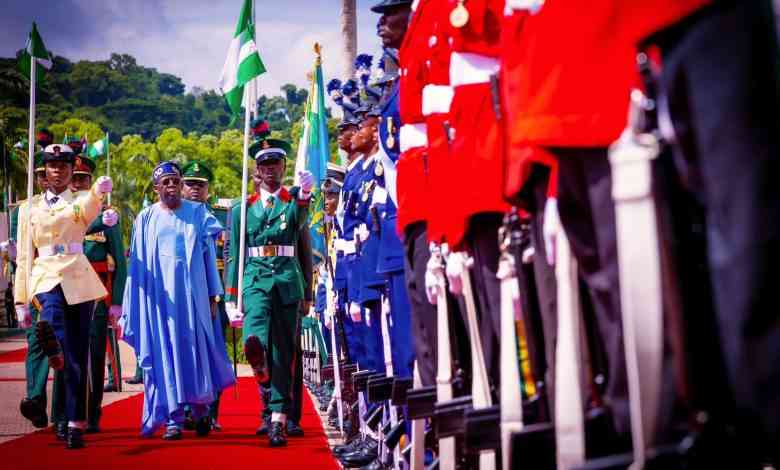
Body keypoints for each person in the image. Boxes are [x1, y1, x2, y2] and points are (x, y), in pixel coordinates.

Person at [120, 161, 235, 440]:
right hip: (161, 303)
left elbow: (209, 256)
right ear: (157, 187)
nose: (171, 186)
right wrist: (133, 302)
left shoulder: (198, 213)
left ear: (181, 184)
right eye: (165, 182)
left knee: (194, 352)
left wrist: (213, 293)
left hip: (192, 298)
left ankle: (200, 410)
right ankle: (172, 418)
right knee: (165, 354)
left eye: (175, 181)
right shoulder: (145, 218)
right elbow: (136, 266)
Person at [14, 143, 115, 449]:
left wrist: (99, 190)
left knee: (76, 356)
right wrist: (20, 300)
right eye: (52, 167)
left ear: (72, 171)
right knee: (51, 317)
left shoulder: (80, 201)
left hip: (77, 277)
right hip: (45, 276)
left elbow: (91, 208)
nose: (58, 171)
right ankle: (53, 347)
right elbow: (22, 257)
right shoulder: (28, 208)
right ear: (45, 173)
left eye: (64, 167)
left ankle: (74, 423)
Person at [224, 134, 314, 448]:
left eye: (275, 163)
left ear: (283, 166)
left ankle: (278, 419)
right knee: (255, 336)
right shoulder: (241, 210)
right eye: (264, 164)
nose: (270, 169)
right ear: (257, 170)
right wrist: (230, 298)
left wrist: (304, 194)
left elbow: (301, 222)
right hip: (254, 279)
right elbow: (234, 254)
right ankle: (258, 366)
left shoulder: (292, 203)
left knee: (284, 352)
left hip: (287, 280)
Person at [49, 148, 125, 436]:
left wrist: (116, 301)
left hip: (94, 295)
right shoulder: (59, 212)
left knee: (90, 357)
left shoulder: (107, 217)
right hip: (61, 289)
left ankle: (89, 414)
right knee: (60, 355)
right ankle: (60, 416)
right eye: (76, 179)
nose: (79, 184)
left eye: (84, 179)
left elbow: (119, 261)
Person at [180, 160, 231, 431]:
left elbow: (231, 256)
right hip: (185, 296)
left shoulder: (223, 216)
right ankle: (188, 409)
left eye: (200, 185)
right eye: (190, 184)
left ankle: (211, 413)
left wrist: (232, 296)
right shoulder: (176, 216)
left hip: (216, 296)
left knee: (214, 353)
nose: (195, 190)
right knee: (187, 352)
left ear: (208, 189)